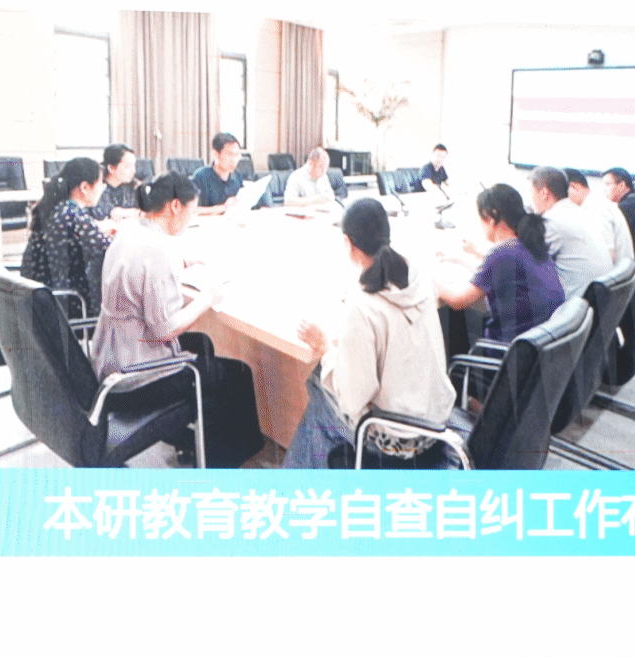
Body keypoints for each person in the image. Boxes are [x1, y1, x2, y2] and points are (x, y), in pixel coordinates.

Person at [92, 172, 265, 466]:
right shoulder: (155, 251)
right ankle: (227, 462)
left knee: (204, 346)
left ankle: (196, 441)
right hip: (135, 375)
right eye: (191, 211)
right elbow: (165, 330)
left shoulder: (131, 231)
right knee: (238, 374)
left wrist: (182, 262)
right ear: (175, 206)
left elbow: (141, 270)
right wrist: (207, 299)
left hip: (110, 355)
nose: (191, 219)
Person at [284, 199, 455, 468]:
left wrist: (325, 347)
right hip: (436, 424)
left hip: (399, 440)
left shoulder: (361, 307)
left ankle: (299, 475)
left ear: (348, 243)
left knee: (319, 382)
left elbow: (353, 400)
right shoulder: (417, 276)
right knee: (329, 383)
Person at [433, 183, 564, 346]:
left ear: (490, 217)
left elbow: (458, 300)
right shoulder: (531, 243)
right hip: (538, 346)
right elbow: (496, 276)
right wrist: (459, 260)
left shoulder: (501, 253)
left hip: (510, 351)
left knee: (454, 319)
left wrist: (426, 278)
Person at [23, 157, 113, 302]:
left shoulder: (59, 208)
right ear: (84, 187)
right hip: (68, 301)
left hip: (43, 299)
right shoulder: (74, 216)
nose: (103, 188)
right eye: (101, 183)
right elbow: (113, 250)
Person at [528, 164, 610, 302]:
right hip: (596, 303)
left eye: (531, 192)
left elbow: (525, 261)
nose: (530, 201)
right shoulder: (580, 213)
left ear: (544, 193)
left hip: (575, 306)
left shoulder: (552, 221)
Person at [565, 168, 633, 269]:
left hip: (619, 272)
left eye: (607, 184)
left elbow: (608, 255)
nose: (604, 189)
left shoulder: (598, 210)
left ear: (573, 186)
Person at [190, 133, 247, 214]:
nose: (234, 160)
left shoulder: (237, 176)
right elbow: (191, 210)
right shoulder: (200, 177)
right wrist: (224, 207)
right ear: (215, 154)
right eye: (230, 154)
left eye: (237, 155)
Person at [89, 144, 139, 220]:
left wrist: (126, 212)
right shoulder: (95, 189)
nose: (133, 171)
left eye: (134, 166)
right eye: (127, 166)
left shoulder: (134, 187)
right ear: (111, 168)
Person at [604, 167, 635, 241]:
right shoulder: (631, 201)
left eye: (607, 184)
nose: (604, 189)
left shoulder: (626, 207)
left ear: (621, 185)